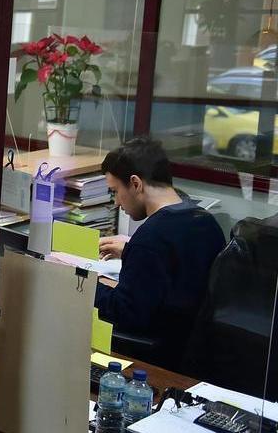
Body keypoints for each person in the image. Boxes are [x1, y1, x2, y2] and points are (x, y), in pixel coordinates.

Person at [94, 137, 226, 369]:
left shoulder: (151, 238)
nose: (116, 202)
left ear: (136, 184)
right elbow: (178, 271)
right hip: (193, 351)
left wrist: (85, 284)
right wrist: (130, 252)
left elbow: (124, 313)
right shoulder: (205, 222)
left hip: (156, 357)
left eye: (115, 191)